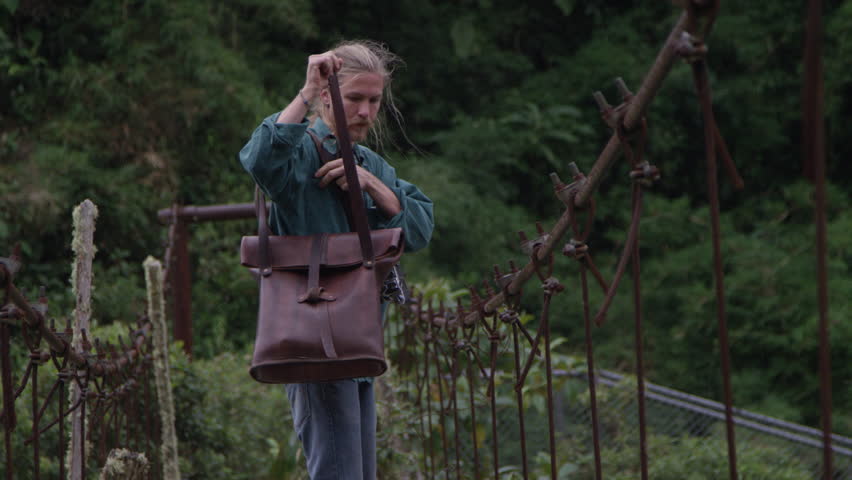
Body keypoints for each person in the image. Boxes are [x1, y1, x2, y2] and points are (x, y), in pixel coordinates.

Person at [238, 40, 434, 480]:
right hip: (314, 340)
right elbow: (258, 159)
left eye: (374, 101)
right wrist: (307, 91)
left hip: (359, 342)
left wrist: (373, 187)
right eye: (354, 99)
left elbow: (419, 230)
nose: (366, 112)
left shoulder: (371, 165)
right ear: (329, 97)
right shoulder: (300, 155)